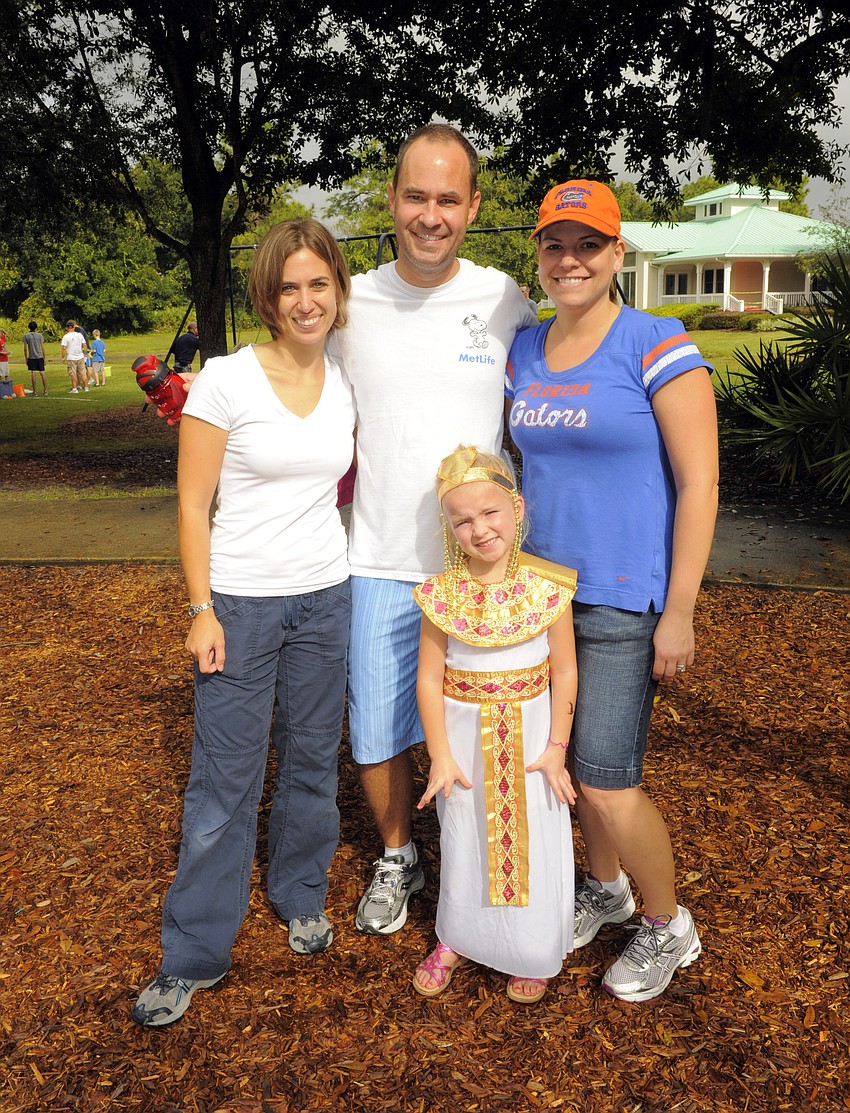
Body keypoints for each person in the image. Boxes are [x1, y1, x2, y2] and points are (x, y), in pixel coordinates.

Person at [131, 218, 356, 1028]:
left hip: (326, 595)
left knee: (307, 760)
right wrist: (201, 609)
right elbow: (194, 504)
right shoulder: (227, 379)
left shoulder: (344, 377)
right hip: (241, 603)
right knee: (224, 783)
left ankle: (300, 893)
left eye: (318, 284)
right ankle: (193, 950)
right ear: (267, 294)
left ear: (337, 290)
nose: (305, 300)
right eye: (289, 286)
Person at [506, 179, 719, 1002]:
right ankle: (605, 888)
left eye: (589, 245)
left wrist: (682, 610)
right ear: (540, 254)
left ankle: (669, 925)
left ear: (616, 253)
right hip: (542, 597)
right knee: (566, 771)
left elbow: (699, 484)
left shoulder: (653, 342)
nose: (571, 260)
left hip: (624, 599)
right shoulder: (525, 351)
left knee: (606, 775)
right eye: (556, 245)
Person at [331, 124, 538, 936]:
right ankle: (397, 854)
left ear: (472, 206)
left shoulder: (504, 297)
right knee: (378, 726)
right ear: (392, 199)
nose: (430, 213)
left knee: (484, 724)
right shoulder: (352, 303)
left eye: (448, 198)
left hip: (480, 562)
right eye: (415, 195)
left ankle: (481, 859)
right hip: (380, 556)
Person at [412, 445, 578, 1004]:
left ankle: (529, 949)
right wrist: (439, 753)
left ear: (517, 508)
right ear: (449, 527)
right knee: (464, 836)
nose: (480, 529)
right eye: (463, 520)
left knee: (531, 834)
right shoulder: (442, 598)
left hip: (533, 744)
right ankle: (456, 937)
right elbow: (429, 680)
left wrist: (557, 747)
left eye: (491, 513)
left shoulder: (548, 588)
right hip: (461, 745)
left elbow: (565, 670)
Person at [61, 320, 88, 393]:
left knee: (73, 373)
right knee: (83, 373)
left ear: (67, 328)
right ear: (74, 327)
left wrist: (63, 357)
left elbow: (64, 348)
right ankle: (86, 387)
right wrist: (85, 355)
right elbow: (84, 345)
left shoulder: (66, 336)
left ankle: (74, 388)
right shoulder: (79, 335)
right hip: (80, 356)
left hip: (71, 357)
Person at [22, 321, 48, 396]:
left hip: (32, 357)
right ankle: (45, 390)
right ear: (36, 327)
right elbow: (42, 347)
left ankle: (34, 391)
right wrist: (44, 357)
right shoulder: (39, 335)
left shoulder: (26, 336)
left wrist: (26, 358)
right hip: (39, 357)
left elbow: (25, 348)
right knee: (42, 373)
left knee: (33, 373)